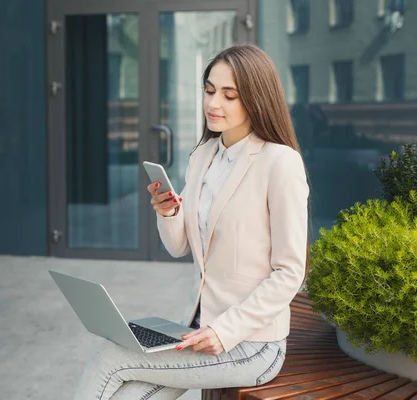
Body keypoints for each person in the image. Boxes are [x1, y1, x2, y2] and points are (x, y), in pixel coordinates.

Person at [73, 44, 310, 400]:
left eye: (230, 95)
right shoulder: (203, 155)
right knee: (129, 394)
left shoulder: (280, 163)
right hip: (196, 328)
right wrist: (169, 212)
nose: (214, 104)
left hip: (252, 343)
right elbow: (178, 245)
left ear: (256, 100)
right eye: (210, 90)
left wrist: (226, 330)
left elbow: (290, 271)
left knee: (110, 359)